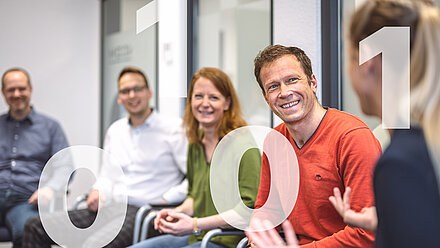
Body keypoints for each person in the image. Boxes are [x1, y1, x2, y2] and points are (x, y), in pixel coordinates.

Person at [22, 66, 188, 247]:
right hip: (113, 207)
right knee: (36, 226)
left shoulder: (174, 129)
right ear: (119, 98)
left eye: (137, 89)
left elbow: (193, 179)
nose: (132, 95)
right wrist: (98, 190)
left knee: (94, 244)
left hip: (147, 211)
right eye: (125, 91)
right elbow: (108, 175)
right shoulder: (115, 130)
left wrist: (169, 198)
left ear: (149, 92)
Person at [329, 0, 440, 247]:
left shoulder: (400, 161)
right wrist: (390, 224)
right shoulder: (424, 142)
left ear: (366, 62)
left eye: (348, 56)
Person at [248, 45, 382, 247]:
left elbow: (366, 234)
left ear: (313, 83)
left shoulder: (352, 137)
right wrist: (256, 239)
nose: (284, 92)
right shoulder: (275, 140)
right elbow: (267, 210)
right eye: (273, 86)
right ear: (266, 97)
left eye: (292, 80)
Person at [128, 67, 262, 248]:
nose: (204, 103)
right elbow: (194, 196)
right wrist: (176, 212)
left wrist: (194, 224)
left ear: (227, 103)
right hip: (199, 236)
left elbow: (249, 210)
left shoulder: (243, 143)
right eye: (198, 96)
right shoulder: (195, 143)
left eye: (214, 97)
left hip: (228, 240)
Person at [0, 67, 70, 248]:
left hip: (27, 199)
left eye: (21, 88)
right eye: (10, 90)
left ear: (30, 89)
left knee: (29, 229)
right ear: (3, 92)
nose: (16, 94)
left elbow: (65, 166)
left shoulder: (50, 127)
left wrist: (51, 188)